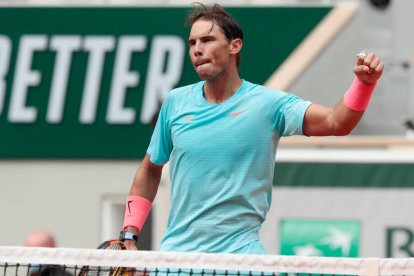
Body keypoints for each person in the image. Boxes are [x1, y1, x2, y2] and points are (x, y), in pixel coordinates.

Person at [118, 3, 384, 254]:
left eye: (207, 40)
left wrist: (364, 84)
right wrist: (130, 233)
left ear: (235, 45)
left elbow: (337, 123)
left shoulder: (268, 104)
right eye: (192, 43)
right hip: (177, 259)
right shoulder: (176, 103)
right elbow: (150, 170)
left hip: (240, 259)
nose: (197, 49)